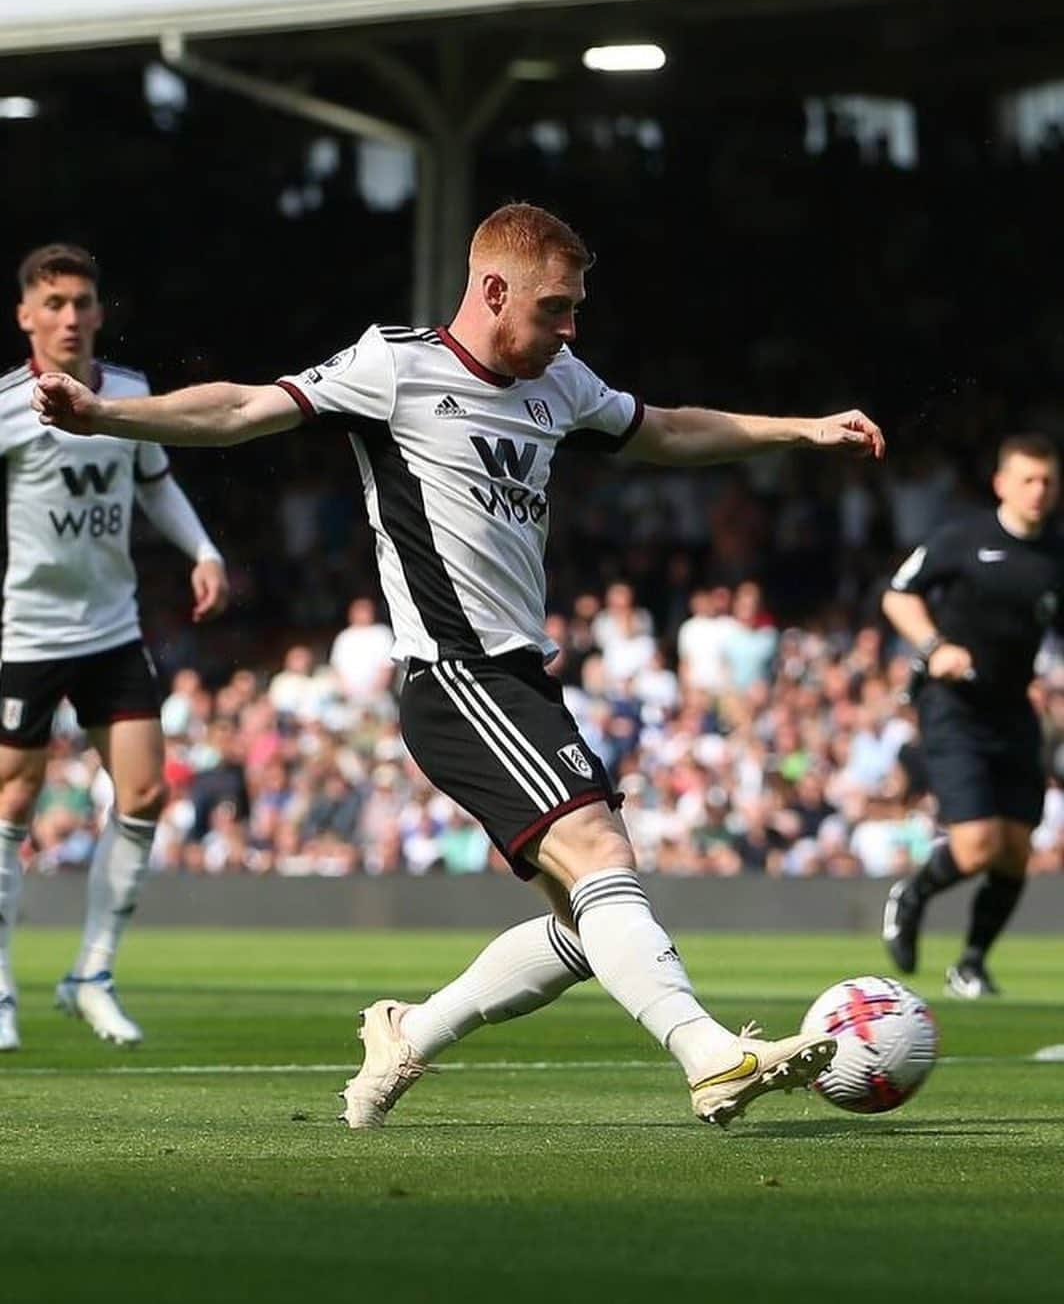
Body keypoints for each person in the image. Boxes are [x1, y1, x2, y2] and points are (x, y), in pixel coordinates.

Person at [31, 203, 884, 1125]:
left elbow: (669, 430)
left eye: (575, 310)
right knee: (601, 850)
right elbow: (242, 406)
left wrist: (800, 429)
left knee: (587, 920)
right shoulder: (394, 364)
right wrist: (107, 414)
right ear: (492, 290)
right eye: (555, 309)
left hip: (521, 677)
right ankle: (712, 1055)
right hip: (455, 673)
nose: (570, 330)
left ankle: (408, 1032)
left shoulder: (559, 381)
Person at [0, 243, 229, 1052]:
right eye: (53, 303)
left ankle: (89, 975)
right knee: (12, 804)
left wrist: (203, 551)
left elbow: (156, 482)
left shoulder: (129, 395)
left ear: (98, 312)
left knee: (142, 795)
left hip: (111, 629)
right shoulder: (6, 407)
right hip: (25, 633)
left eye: (81, 302)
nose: (69, 316)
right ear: (26, 315)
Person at [881, 432, 1064, 998]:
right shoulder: (963, 539)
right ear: (1002, 483)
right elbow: (897, 595)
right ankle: (911, 895)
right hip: (953, 704)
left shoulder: (1056, 557)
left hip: (1014, 709)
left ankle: (972, 964)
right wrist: (936, 647)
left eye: (1048, 481)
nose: (1038, 491)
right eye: (1028, 479)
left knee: (1015, 850)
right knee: (978, 844)